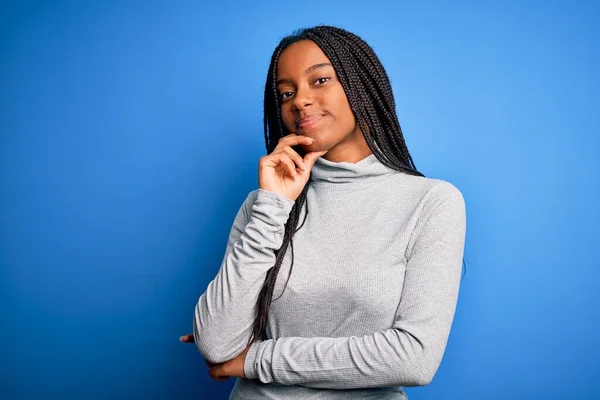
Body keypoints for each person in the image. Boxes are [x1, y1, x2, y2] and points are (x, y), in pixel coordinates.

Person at [180, 25, 466, 399]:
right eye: (286, 92)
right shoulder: (263, 205)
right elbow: (216, 344)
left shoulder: (430, 202)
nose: (299, 101)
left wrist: (256, 360)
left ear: (361, 85)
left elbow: (413, 357)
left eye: (320, 80)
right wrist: (274, 206)